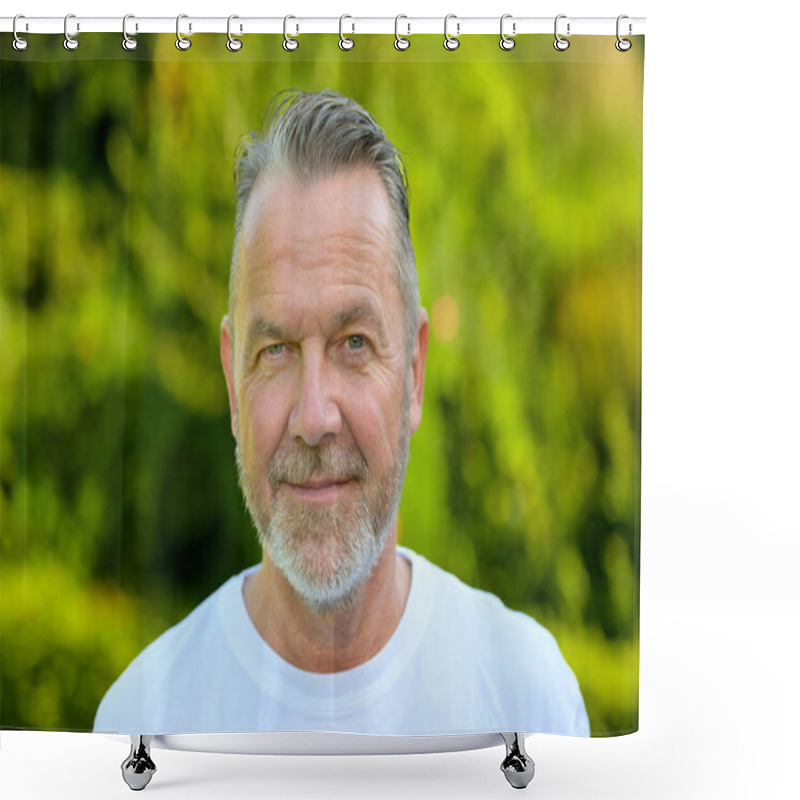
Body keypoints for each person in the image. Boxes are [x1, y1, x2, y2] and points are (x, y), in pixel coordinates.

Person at [94, 90, 589, 738]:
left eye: (354, 343)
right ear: (230, 377)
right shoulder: (142, 723)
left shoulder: (529, 700)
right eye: (274, 351)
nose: (314, 415)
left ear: (413, 372)